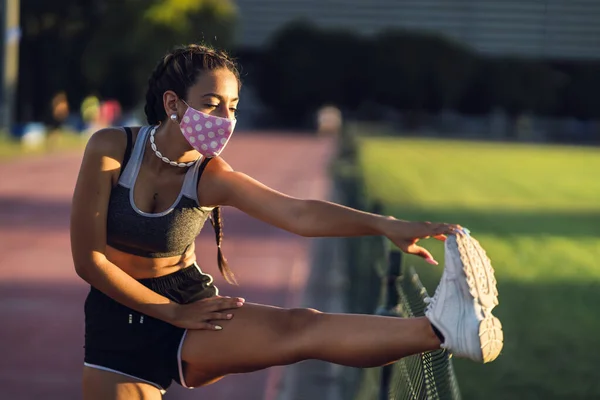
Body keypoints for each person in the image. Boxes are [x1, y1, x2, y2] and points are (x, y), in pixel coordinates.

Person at [70, 44, 503, 400]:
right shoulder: (111, 149)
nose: (223, 120)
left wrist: (385, 224)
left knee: (301, 327)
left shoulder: (211, 175)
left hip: (189, 304)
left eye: (232, 107)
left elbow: (298, 213)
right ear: (172, 104)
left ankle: (443, 330)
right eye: (211, 105)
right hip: (119, 316)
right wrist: (172, 314)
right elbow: (90, 261)